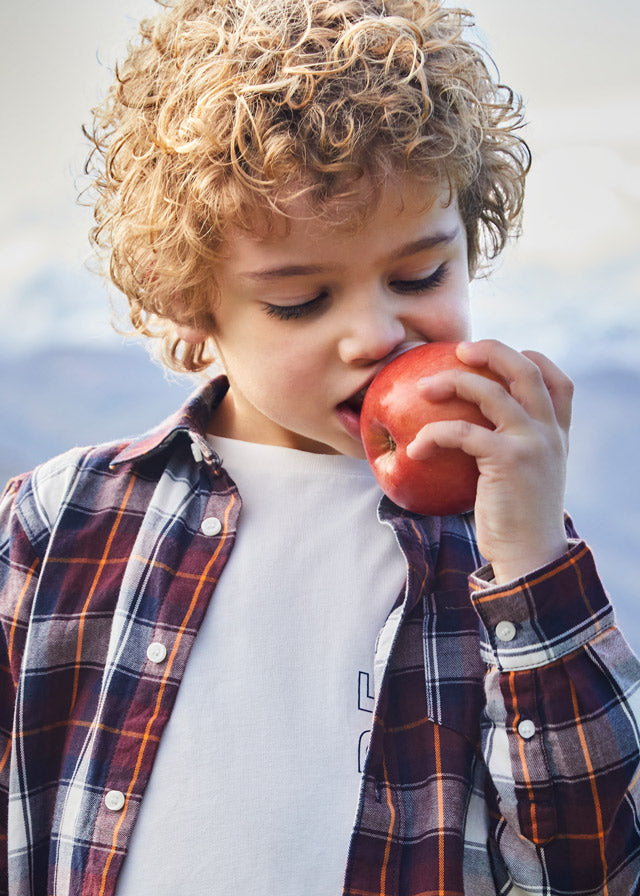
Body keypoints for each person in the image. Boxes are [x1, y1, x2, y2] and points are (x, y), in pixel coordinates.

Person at [1, 0, 639, 893]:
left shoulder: (502, 560)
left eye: (420, 275)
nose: (375, 334)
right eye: (300, 300)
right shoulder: (55, 525)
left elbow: (598, 866)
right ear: (191, 302)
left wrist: (535, 564)